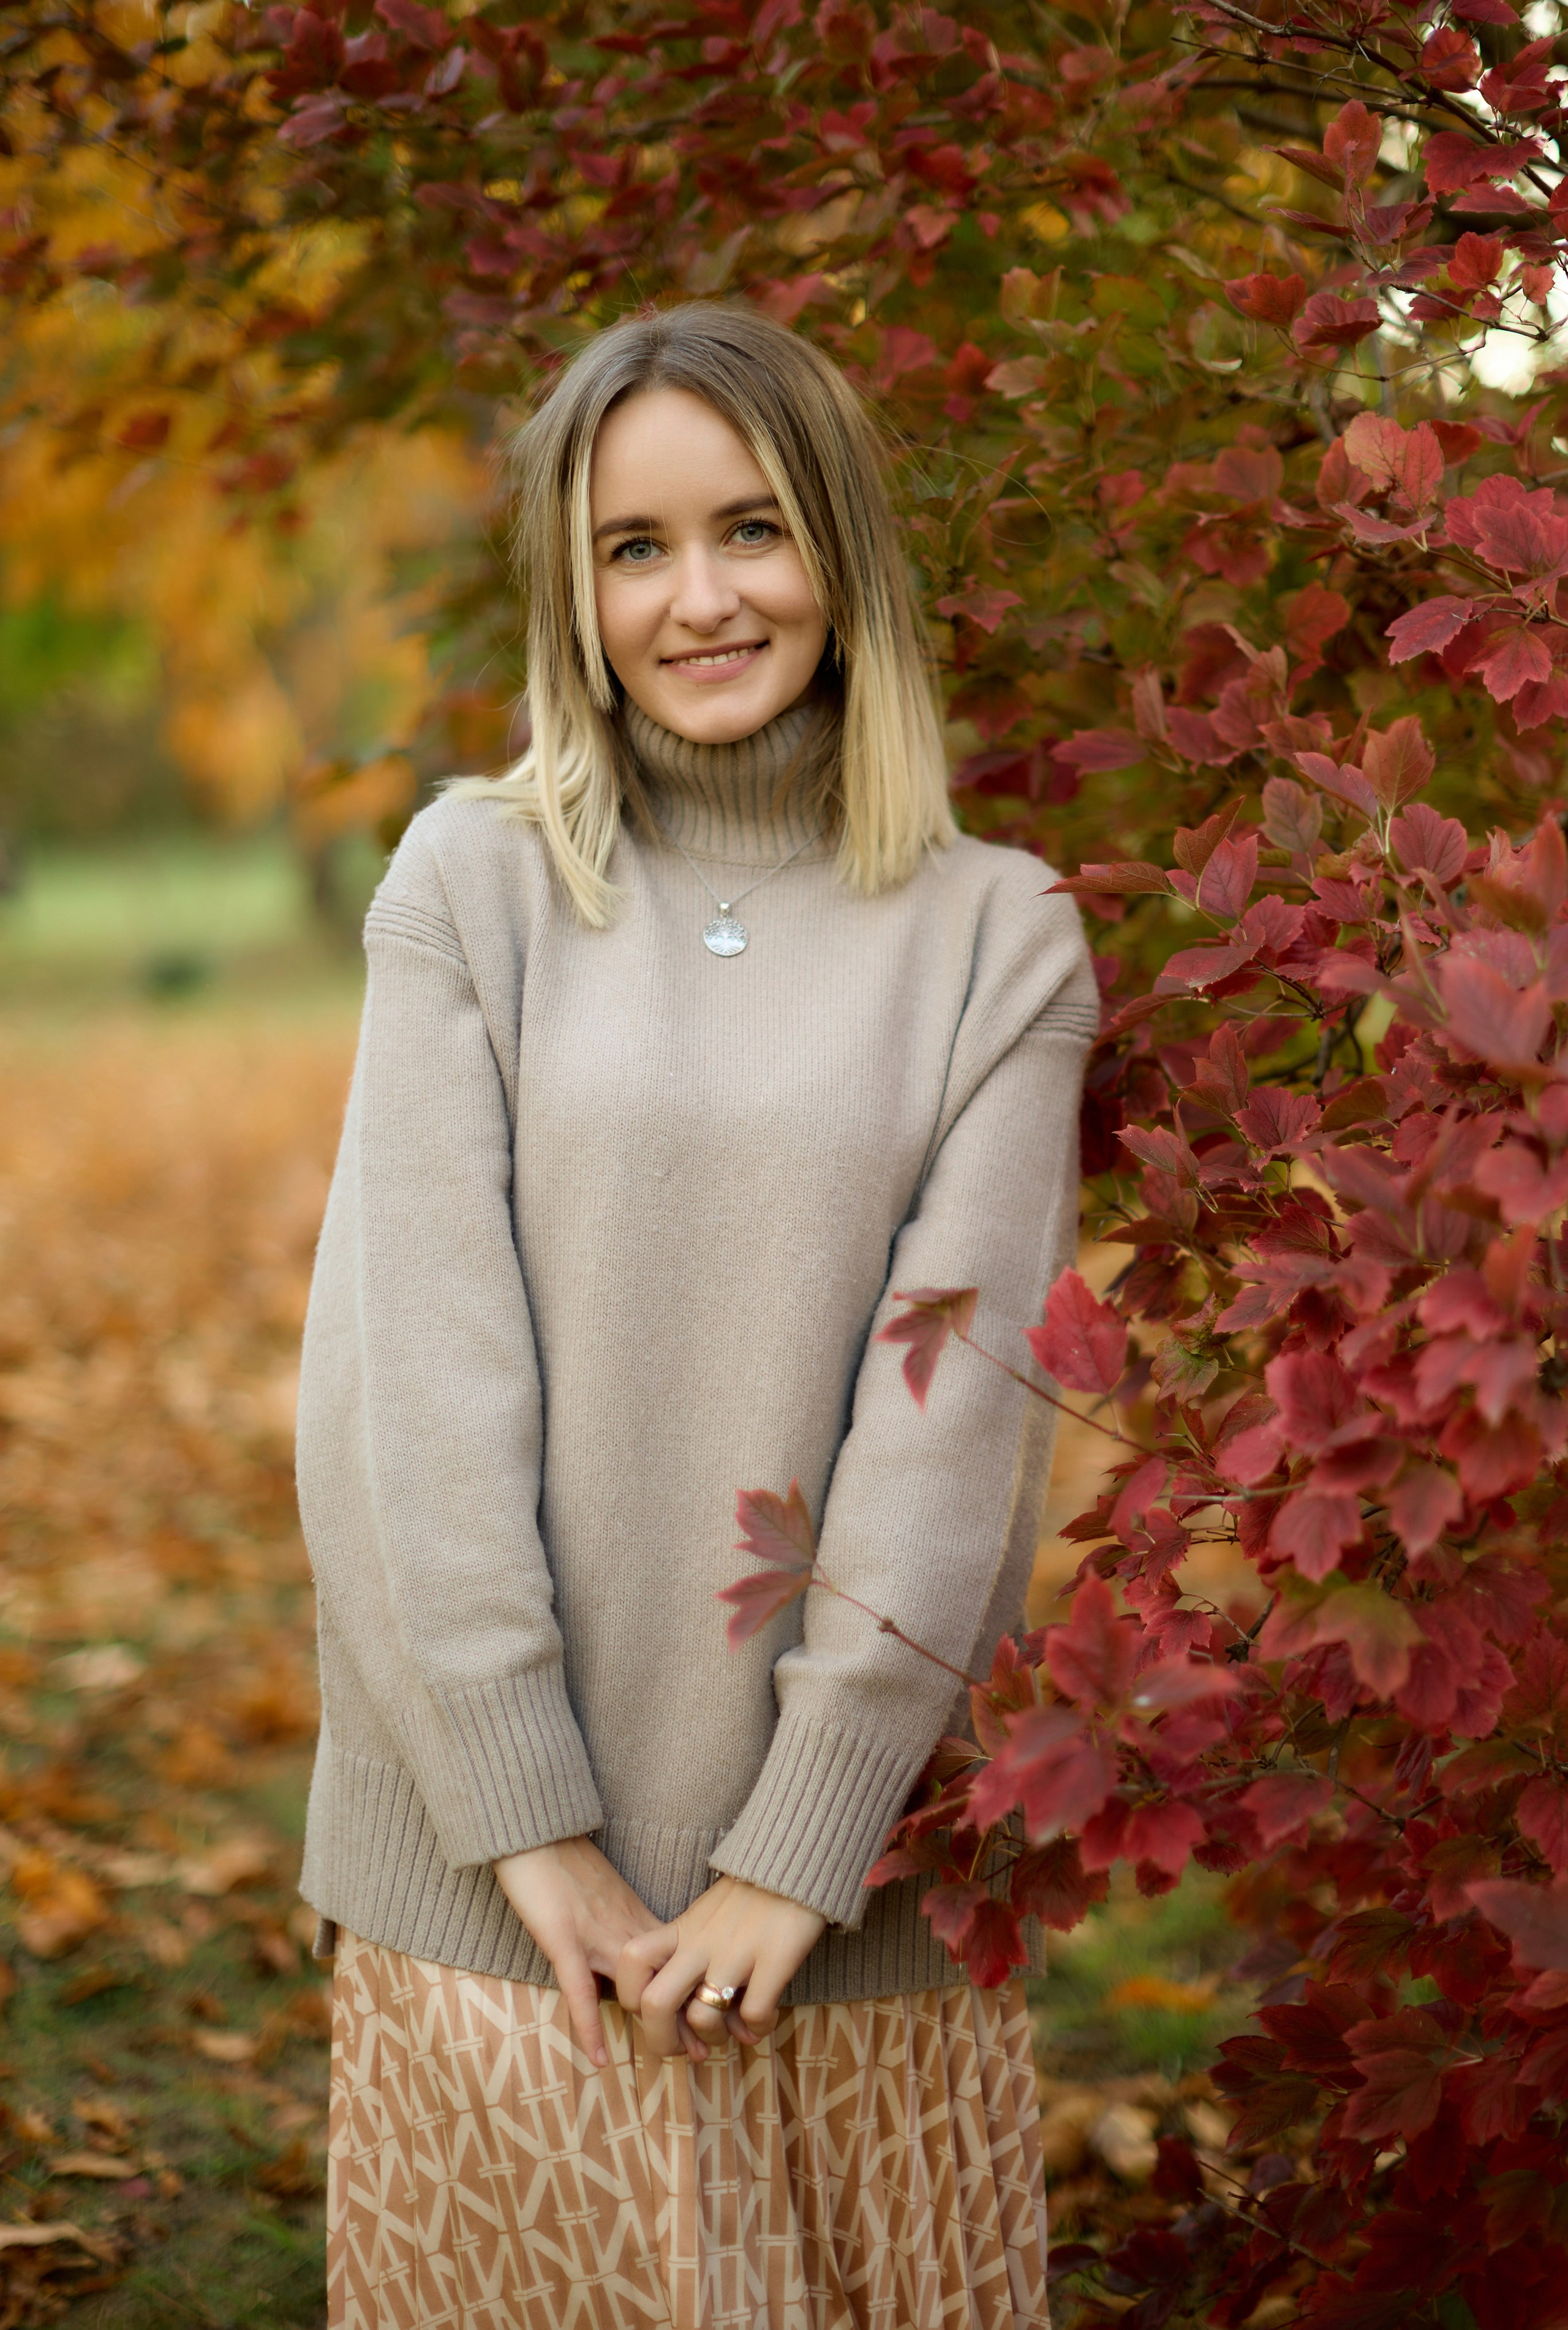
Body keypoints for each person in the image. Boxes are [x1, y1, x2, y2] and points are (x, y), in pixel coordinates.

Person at [296, 300, 1098, 2330]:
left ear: (840, 545)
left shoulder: (998, 935)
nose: (700, 597)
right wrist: (526, 1821)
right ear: (573, 588)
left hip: (846, 1909)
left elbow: (951, 1434)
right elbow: (416, 1380)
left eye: (750, 528)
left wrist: (801, 1848)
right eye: (634, 547)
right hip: (495, 1900)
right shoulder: (472, 885)